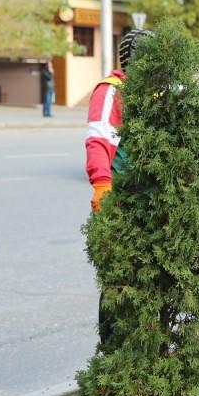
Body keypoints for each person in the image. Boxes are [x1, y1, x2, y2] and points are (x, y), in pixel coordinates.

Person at [85, 28, 154, 343]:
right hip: (121, 198)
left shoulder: (156, 93)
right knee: (120, 279)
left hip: (152, 200)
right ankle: (114, 348)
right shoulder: (111, 91)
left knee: (151, 278)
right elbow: (98, 140)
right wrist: (102, 185)